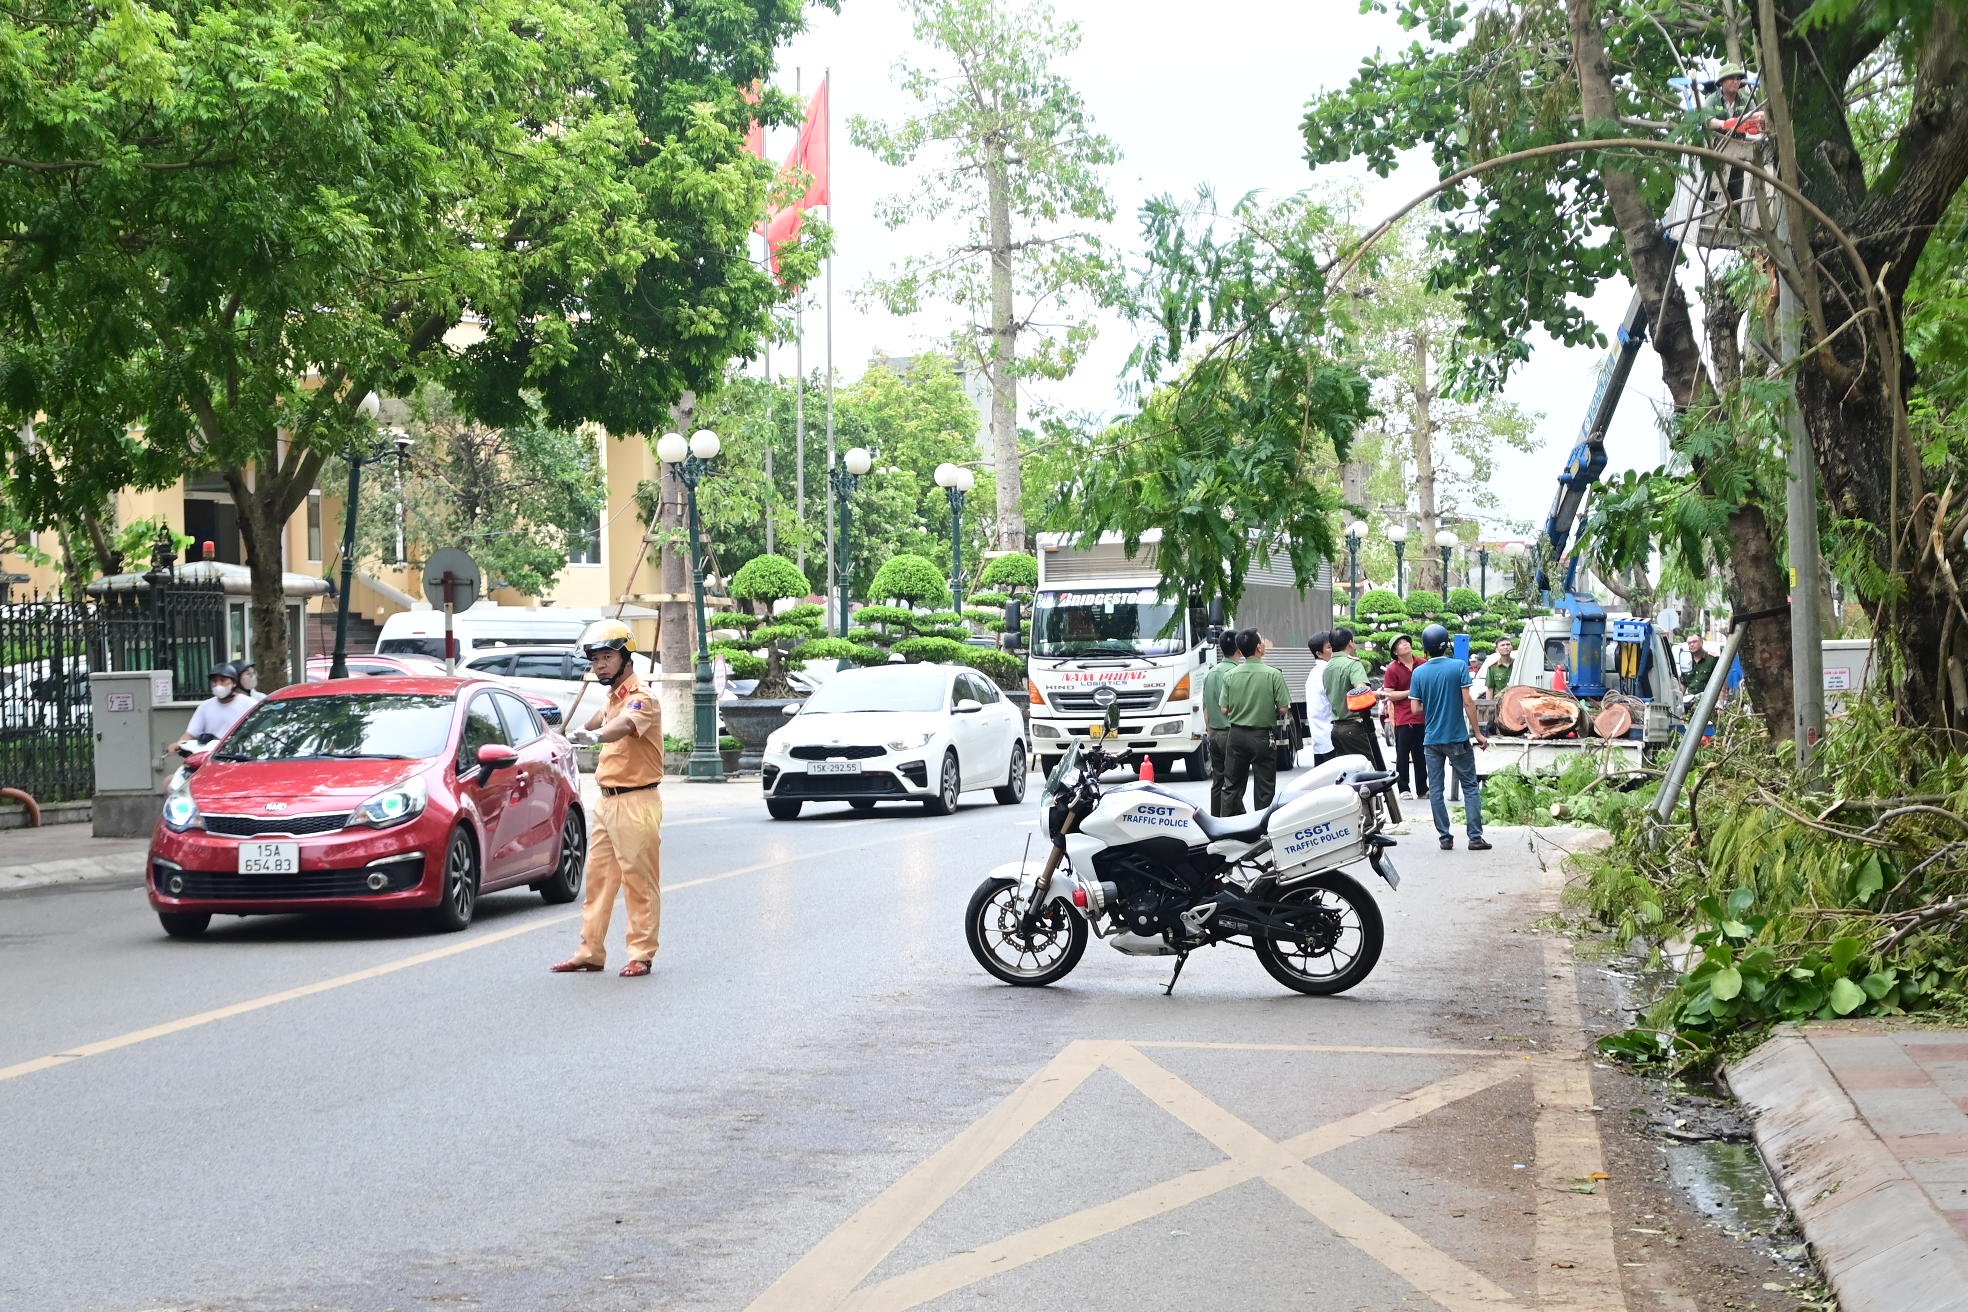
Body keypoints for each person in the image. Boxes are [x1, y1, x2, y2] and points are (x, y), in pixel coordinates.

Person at [551, 620, 665, 979]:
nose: (600, 665)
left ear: (626, 657)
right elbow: (592, 723)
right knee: (598, 880)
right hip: (607, 802)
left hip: (637, 801)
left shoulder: (641, 698)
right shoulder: (611, 698)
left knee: (638, 881)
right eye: (595, 659)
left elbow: (623, 726)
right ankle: (590, 952)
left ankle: (641, 954)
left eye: (607, 657)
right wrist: (562, 731)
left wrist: (596, 736)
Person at [1410, 624, 1491, 852]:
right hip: (1456, 738)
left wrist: (1434, 705)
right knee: (1469, 787)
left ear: (1425, 650)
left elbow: (1415, 708)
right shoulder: (1458, 667)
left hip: (1431, 740)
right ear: (1448, 646)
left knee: (1436, 789)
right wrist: (1478, 733)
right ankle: (1475, 837)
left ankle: (1445, 837)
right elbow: (1468, 702)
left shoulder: (1419, 672)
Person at [1217, 629, 1292, 815]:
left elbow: (1224, 709)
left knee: (1232, 784)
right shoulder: (1273, 674)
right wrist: (1266, 710)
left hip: (1236, 735)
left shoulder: (1230, 675)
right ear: (1259, 647)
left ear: (1240, 652)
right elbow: (1283, 708)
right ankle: (1262, 829)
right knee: (1264, 786)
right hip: (1262, 736)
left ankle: (1229, 827)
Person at [1321, 627, 1386, 769]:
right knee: (1370, 775)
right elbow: (1361, 692)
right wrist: (1375, 695)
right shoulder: (1352, 664)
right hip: (1355, 727)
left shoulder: (1327, 668)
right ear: (1351, 643)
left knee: (1349, 776)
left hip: (1337, 729)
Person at [1379, 635, 1427, 801]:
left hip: (1422, 715)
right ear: (1395, 652)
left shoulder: (1423, 663)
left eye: (1406, 641)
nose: (1405, 644)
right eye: (1400, 644)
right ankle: (1403, 788)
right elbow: (1389, 694)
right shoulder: (1393, 669)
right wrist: (1411, 692)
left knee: (1421, 754)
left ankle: (1422, 789)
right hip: (1404, 717)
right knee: (1402, 754)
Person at [1200, 630, 1242, 816]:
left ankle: (1215, 818)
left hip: (1214, 732)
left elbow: (1205, 706)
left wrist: (1209, 730)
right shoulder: (1235, 673)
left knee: (1218, 780)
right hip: (1231, 732)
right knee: (1233, 782)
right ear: (1239, 649)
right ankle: (1231, 820)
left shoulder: (1211, 673)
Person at [182, 662, 255, 746]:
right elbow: (191, 733)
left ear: (234, 683)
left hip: (239, 753)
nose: (218, 685)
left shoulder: (250, 704)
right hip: (211, 754)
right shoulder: (205, 706)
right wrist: (179, 744)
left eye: (223, 680)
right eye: (214, 681)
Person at [1304, 631, 1336, 765]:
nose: (1333, 649)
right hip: (1330, 735)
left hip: (1320, 737)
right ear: (1319, 653)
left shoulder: (1315, 672)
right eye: (1329, 647)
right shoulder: (1327, 671)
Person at [1684, 634, 1721, 704]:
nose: (1692, 644)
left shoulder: (1712, 659)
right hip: (1690, 703)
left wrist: (1720, 703)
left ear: (1701, 642)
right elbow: (1683, 684)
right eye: (1689, 643)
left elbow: (1721, 681)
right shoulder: (1686, 661)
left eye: (1694, 642)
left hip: (1708, 703)